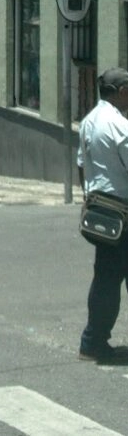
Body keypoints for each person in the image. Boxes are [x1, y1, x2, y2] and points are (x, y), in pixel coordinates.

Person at [77, 67, 128, 363]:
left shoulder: (89, 120)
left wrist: (86, 197)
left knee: (106, 279)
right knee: (108, 281)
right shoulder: (118, 125)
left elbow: (81, 164)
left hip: (101, 210)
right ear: (121, 91)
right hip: (122, 210)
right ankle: (93, 341)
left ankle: (92, 341)